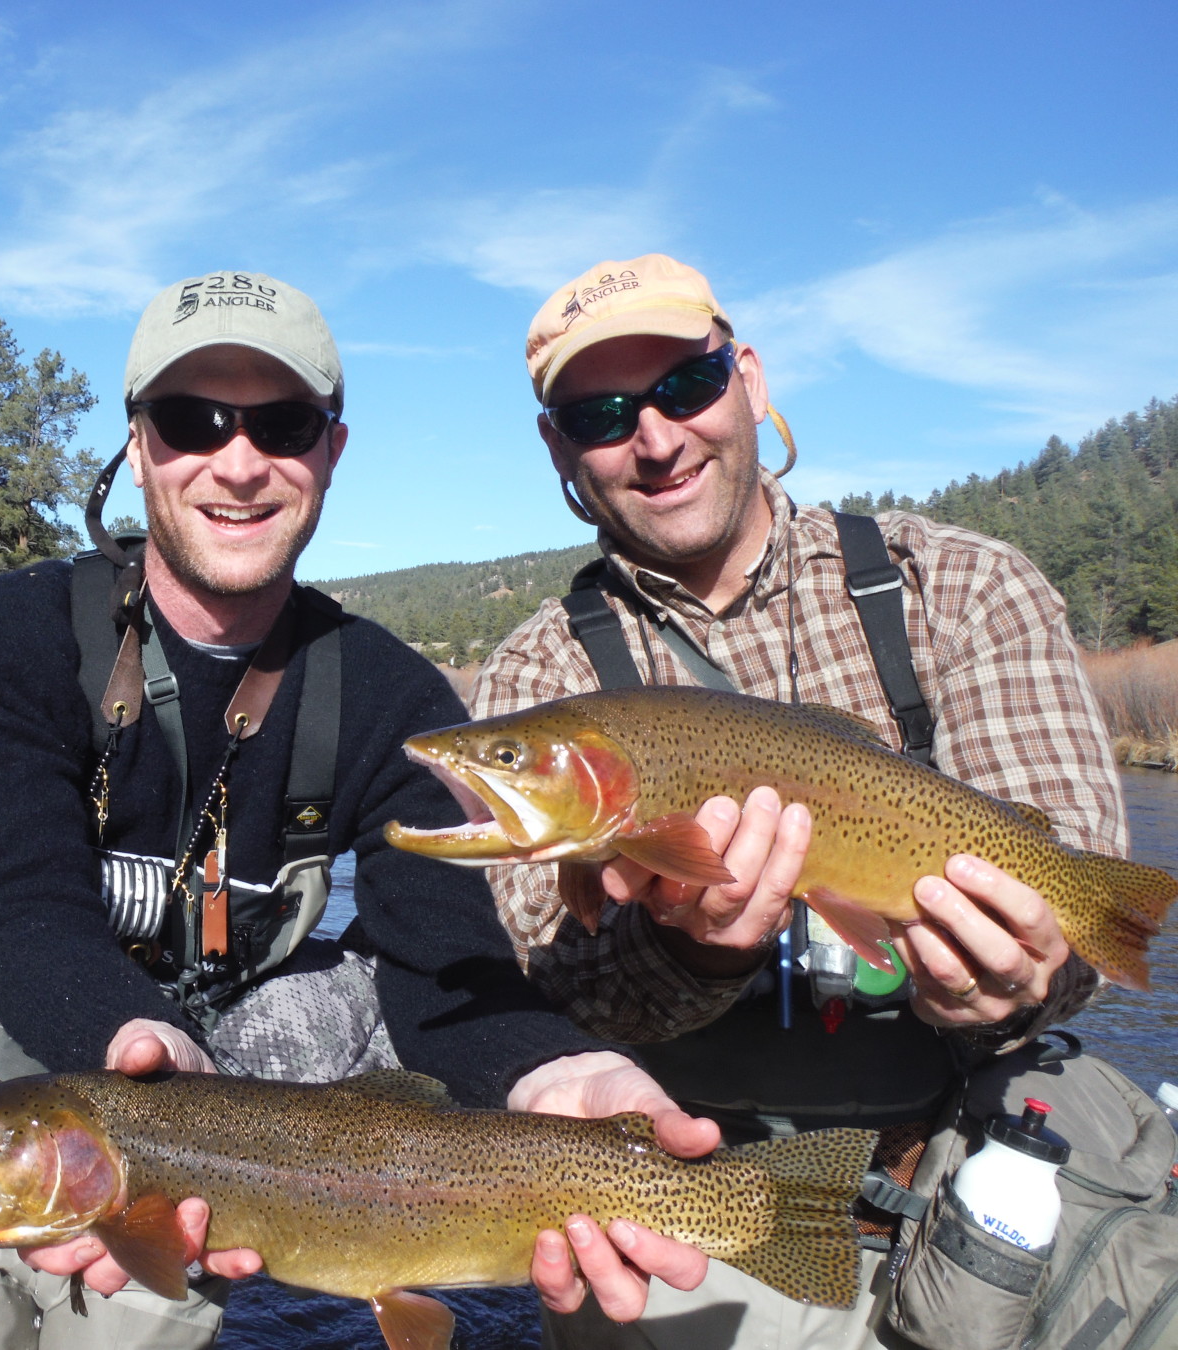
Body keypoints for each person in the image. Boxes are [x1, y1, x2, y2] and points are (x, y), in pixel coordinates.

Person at [0, 269, 712, 1350]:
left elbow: (440, 967)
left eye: (284, 423)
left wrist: (547, 1069)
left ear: (331, 452)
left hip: (205, 1151)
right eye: (191, 419)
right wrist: (142, 1054)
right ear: (138, 443)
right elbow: (30, 913)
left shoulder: (390, 699)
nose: (241, 460)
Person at [466, 253, 1128, 1349]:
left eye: (686, 385)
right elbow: (549, 1003)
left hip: (978, 1192)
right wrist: (699, 954)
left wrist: (1023, 979)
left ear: (751, 381)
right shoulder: (542, 685)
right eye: (603, 412)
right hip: (690, 1217)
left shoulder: (960, 587)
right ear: (560, 448)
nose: (659, 436)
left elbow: (1084, 931)